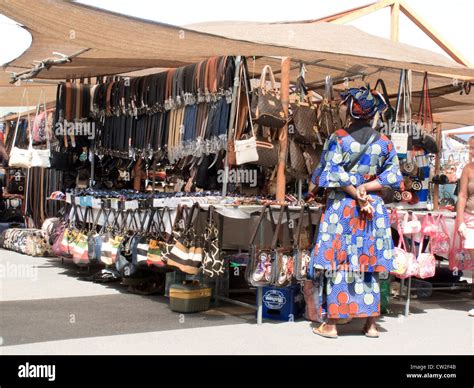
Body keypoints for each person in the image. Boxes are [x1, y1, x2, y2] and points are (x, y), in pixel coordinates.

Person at [308, 87, 403, 338]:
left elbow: (330, 172)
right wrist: (365, 189)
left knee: (339, 264)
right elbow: (392, 177)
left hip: (343, 209)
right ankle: (370, 325)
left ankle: (332, 325)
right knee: (369, 263)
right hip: (372, 209)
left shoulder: (338, 138)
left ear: (350, 109)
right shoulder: (384, 143)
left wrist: (354, 191)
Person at [455, 135, 474, 314]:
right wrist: (460, 220)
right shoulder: (468, 169)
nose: (472, 151)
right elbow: (462, 195)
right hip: (470, 218)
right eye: (470, 148)